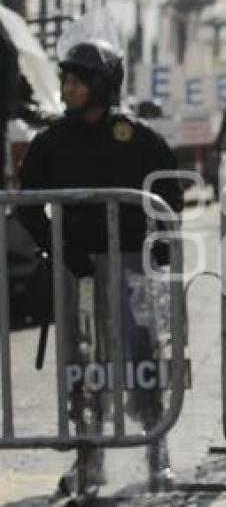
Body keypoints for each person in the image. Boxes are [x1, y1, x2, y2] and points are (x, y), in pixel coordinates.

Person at [16, 39, 183, 494]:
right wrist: (55, 246)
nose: (68, 89)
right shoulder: (52, 142)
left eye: (78, 81)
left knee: (143, 357)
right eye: (65, 81)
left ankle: (156, 449)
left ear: (102, 85)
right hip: (78, 267)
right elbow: (26, 202)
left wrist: (162, 241)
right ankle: (90, 456)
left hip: (132, 266)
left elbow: (170, 189)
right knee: (82, 362)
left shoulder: (136, 136)